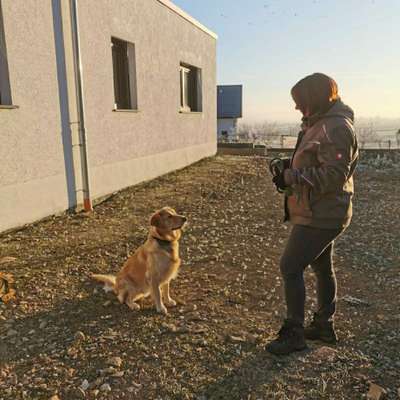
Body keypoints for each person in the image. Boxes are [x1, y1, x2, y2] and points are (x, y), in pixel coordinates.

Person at [265, 73, 359, 355]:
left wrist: (292, 176)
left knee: (290, 266)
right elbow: (318, 160)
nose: (296, 108)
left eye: (299, 102)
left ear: (314, 99)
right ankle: (323, 326)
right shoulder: (319, 124)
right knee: (321, 267)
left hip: (323, 215)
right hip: (320, 211)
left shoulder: (336, 127)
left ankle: (294, 333)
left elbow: (333, 176)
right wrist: (288, 164)